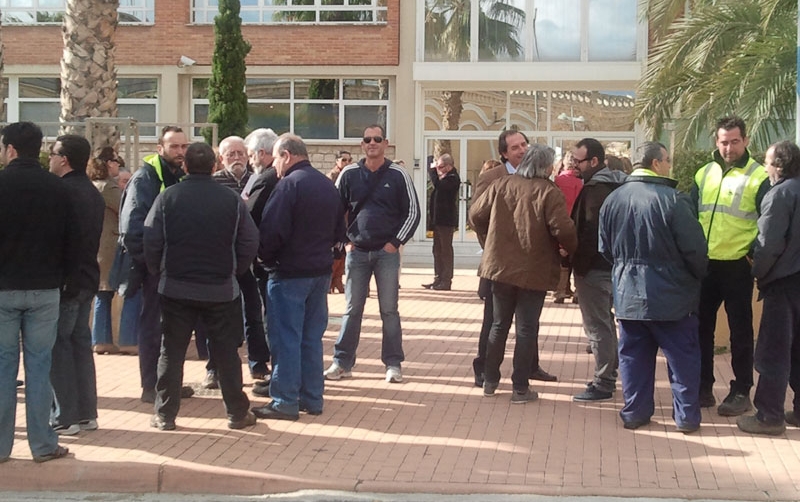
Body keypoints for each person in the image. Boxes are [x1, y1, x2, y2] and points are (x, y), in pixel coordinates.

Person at [143, 142, 258, 431]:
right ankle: (236, 413)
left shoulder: (168, 197)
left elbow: (151, 239)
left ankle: (165, 415)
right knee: (226, 353)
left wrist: (160, 271)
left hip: (176, 288)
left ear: (185, 166)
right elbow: (249, 241)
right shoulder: (231, 200)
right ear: (214, 166)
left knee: (172, 351)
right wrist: (235, 269)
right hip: (220, 288)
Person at [599, 142, 707, 433]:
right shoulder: (674, 200)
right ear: (656, 163)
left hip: (628, 296)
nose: (670, 165)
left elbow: (605, 248)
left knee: (634, 358)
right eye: (668, 160)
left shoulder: (613, 199)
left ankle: (635, 412)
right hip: (673, 297)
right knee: (683, 360)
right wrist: (696, 277)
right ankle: (686, 417)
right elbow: (695, 251)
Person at [469, 144, 577, 402]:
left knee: (498, 324)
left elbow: (475, 215)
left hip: (499, 267)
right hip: (534, 269)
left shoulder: (502, 184)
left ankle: (490, 380)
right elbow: (563, 228)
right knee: (527, 328)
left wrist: (490, 240)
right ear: (547, 166)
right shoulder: (548, 192)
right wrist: (569, 250)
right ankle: (520, 387)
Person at [251, 134, 345, 421]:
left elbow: (272, 231)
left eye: (277, 158)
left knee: (286, 339)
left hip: (289, 272)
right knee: (311, 338)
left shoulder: (288, 185)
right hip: (319, 272)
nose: (274, 165)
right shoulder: (327, 186)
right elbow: (340, 230)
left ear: (287, 155)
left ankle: (284, 401)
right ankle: (312, 397)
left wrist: (264, 258)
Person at [0, 122, 75, 462]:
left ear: (10, 149)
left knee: (3, 367)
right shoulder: (57, 188)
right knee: (39, 367)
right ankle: (43, 443)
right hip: (46, 288)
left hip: (4, 289)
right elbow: (72, 241)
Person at [323, 124, 420, 383]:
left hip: (386, 254)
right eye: (367, 139)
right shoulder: (349, 174)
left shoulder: (398, 174)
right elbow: (334, 211)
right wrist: (345, 242)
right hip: (357, 253)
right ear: (362, 144)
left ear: (386, 143)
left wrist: (395, 243)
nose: (372, 143)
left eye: (377, 139)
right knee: (352, 309)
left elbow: (413, 212)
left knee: (389, 310)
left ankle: (393, 364)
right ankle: (341, 363)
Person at [692, 116, 770, 415]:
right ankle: (703, 387)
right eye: (724, 142)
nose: (729, 148)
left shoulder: (759, 176)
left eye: (735, 141)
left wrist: (751, 255)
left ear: (746, 141)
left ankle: (741, 390)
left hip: (738, 266)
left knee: (740, 331)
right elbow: (690, 217)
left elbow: (768, 222)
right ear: (716, 141)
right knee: (700, 328)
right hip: (706, 266)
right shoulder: (704, 173)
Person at [119, 126, 194, 403]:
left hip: (176, 269)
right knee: (152, 327)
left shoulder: (180, 176)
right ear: (159, 148)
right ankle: (151, 385)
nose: (180, 152)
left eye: (183, 147)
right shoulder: (145, 178)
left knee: (175, 329)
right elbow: (133, 229)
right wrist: (153, 265)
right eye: (174, 147)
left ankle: (170, 381)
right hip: (155, 270)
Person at [737, 141, 800, 436]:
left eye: (767, 161)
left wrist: (757, 273)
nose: (764, 167)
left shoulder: (780, 194)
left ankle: (769, 415)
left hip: (783, 283)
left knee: (774, 351)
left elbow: (768, 245)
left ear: (780, 165)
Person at [48, 134, 105, 436]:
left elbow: (61, 241)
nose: (50, 158)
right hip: (87, 279)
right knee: (80, 345)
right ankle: (86, 413)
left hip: (67, 282)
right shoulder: (91, 192)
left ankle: (65, 415)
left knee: (59, 345)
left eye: (53, 153)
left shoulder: (62, 192)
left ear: (64, 158)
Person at [202, 136, 270, 390]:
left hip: (250, 260)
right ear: (221, 159)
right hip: (220, 260)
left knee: (254, 312)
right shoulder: (213, 183)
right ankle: (214, 367)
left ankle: (258, 363)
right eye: (231, 154)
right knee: (218, 317)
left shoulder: (259, 179)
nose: (237, 158)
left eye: (241, 153)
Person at [569, 137, 627, 402]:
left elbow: (590, 233)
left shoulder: (595, 189)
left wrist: (575, 262)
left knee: (598, 327)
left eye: (578, 161)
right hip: (618, 266)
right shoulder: (619, 185)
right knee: (610, 324)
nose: (574, 165)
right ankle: (610, 375)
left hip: (595, 269)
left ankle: (604, 382)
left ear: (594, 161)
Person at [88, 147, 125, 355]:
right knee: (104, 292)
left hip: (98, 246)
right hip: (107, 247)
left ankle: (100, 338)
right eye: (115, 161)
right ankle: (101, 339)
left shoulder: (93, 185)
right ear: (107, 163)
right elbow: (124, 209)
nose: (118, 165)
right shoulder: (107, 188)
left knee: (102, 293)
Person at [422, 153, 460, 291]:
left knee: (445, 250)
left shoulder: (453, 178)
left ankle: (446, 280)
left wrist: (431, 170)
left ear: (449, 166)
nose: (438, 169)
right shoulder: (443, 177)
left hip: (446, 221)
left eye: (441, 167)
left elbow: (439, 185)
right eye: (437, 167)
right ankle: (438, 278)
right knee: (437, 250)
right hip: (438, 220)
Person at [553, 151, 582, 304]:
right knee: (575, 257)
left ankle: (560, 290)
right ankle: (577, 292)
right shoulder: (580, 183)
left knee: (561, 258)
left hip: (559, 220)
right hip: (575, 221)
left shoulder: (557, 181)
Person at [328, 150, 352, 294]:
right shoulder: (332, 176)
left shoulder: (352, 175)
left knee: (344, 253)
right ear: (337, 161)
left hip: (348, 219)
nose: (346, 163)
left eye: (349, 160)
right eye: (343, 160)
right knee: (336, 250)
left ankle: (337, 279)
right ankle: (330, 280)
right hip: (336, 218)